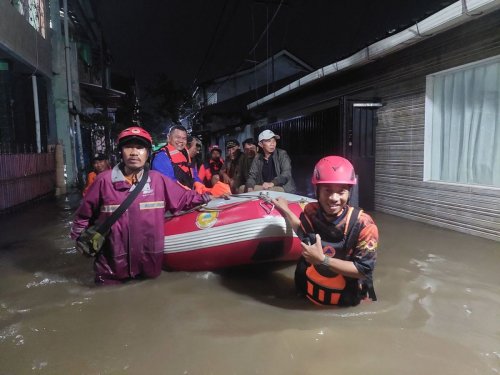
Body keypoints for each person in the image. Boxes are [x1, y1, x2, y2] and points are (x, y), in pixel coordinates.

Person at [71, 127, 211, 285]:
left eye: (140, 148)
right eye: (128, 147)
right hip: (111, 271)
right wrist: (81, 242)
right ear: (120, 152)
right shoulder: (104, 181)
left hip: (148, 266)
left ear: (148, 153)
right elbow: (83, 216)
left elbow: (183, 199)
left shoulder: (158, 181)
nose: (134, 152)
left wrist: (209, 195)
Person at [272, 156, 378, 306]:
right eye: (327, 190)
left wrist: (323, 260)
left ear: (349, 193)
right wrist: (285, 210)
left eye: (341, 192)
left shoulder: (364, 225)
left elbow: (363, 270)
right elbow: (303, 232)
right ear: (317, 191)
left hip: (343, 301)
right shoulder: (310, 212)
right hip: (308, 294)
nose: (334, 198)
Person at [151, 125, 204, 193]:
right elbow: (169, 184)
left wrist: (197, 183)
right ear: (168, 138)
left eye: (184, 138)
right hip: (174, 198)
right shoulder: (161, 157)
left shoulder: (186, 154)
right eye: (177, 137)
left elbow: (194, 174)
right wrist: (190, 193)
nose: (181, 141)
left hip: (189, 195)